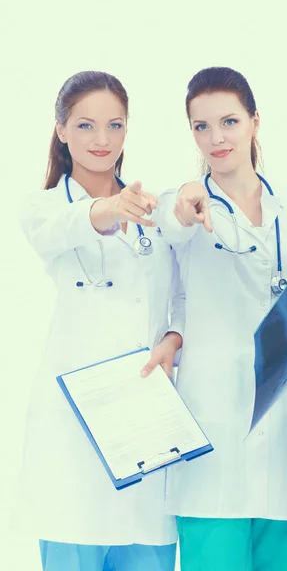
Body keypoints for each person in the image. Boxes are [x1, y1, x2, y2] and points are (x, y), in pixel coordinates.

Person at [155, 67, 287, 571]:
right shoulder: (186, 206)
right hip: (215, 416)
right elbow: (168, 230)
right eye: (201, 126)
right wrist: (181, 204)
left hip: (286, 416)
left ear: (254, 122)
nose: (216, 138)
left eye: (229, 121)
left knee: (278, 558)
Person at [13, 71, 183, 571]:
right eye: (86, 126)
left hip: (147, 421)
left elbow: (182, 300)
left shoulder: (155, 211)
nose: (102, 140)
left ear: (127, 131)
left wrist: (175, 337)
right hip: (72, 434)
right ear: (61, 130)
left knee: (147, 553)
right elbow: (61, 229)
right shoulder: (43, 208)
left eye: (115, 125)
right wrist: (105, 208)